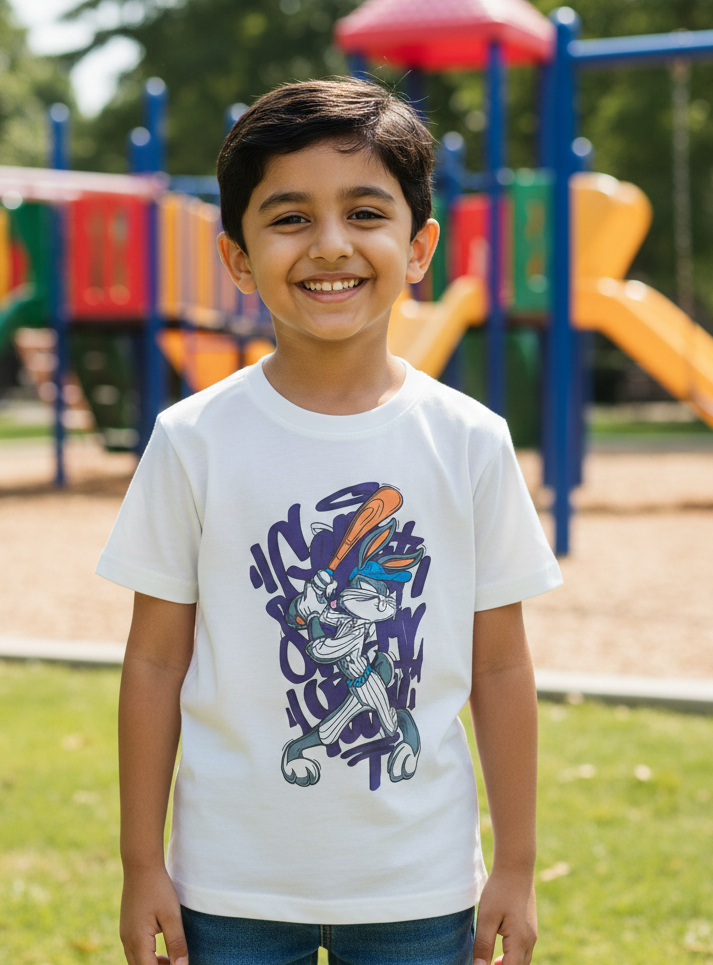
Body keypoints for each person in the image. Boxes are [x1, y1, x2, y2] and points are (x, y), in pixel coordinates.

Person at [96, 77, 562, 965]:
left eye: (364, 212)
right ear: (238, 258)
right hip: (226, 888)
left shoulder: (471, 441)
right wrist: (140, 864)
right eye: (290, 218)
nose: (331, 244)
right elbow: (154, 662)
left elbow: (501, 667)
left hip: (420, 887)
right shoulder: (191, 440)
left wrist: (517, 866)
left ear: (419, 247)